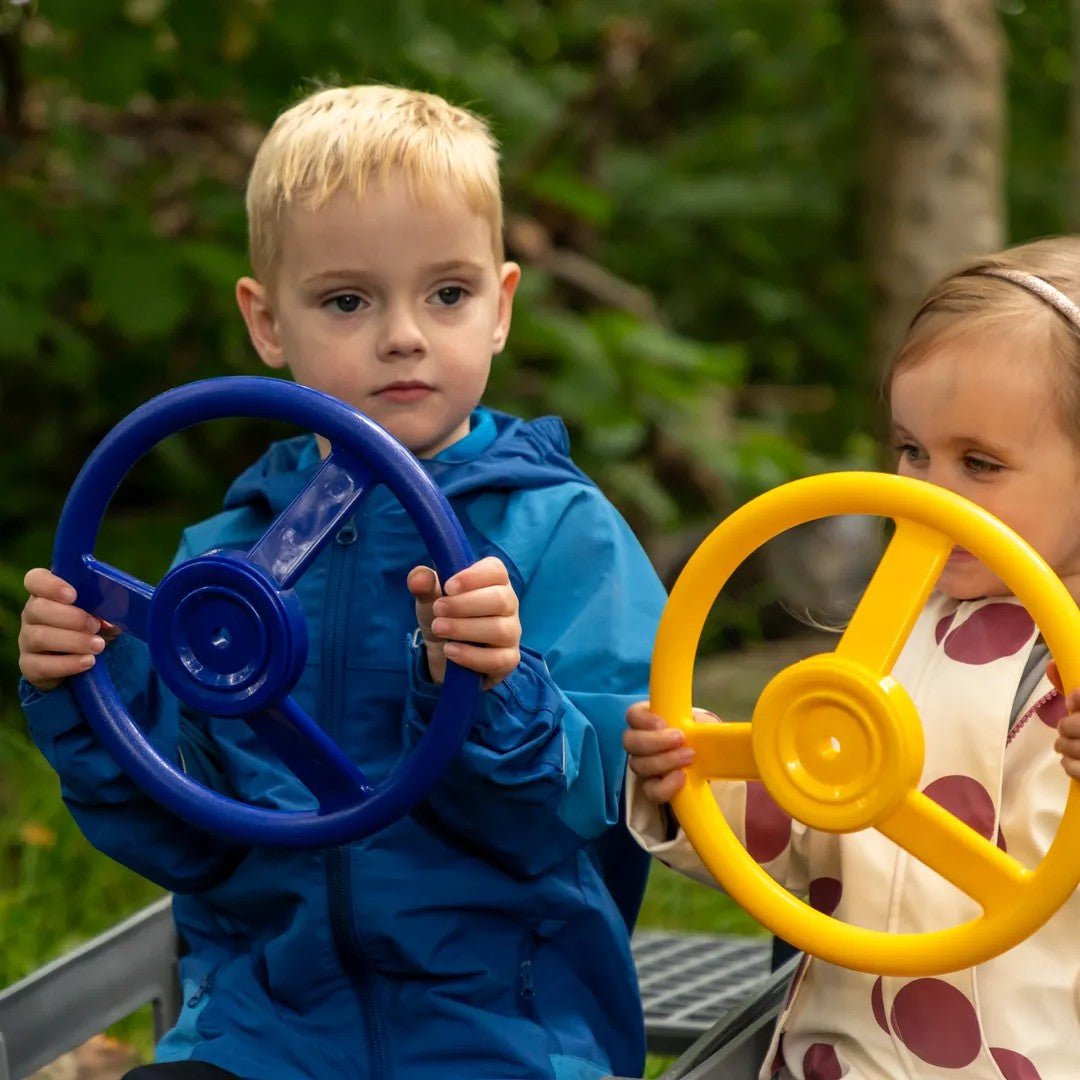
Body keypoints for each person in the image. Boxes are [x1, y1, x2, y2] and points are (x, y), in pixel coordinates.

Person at [18, 84, 667, 1080]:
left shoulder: (563, 534)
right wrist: (83, 694)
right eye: (347, 300)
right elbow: (192, 840)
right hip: (265, 1031)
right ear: (267, 322)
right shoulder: (223, 562)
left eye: (445, 294)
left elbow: (598, 811)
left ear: (501, 307)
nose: (403, 335)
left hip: (506, 1032)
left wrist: (496, 692)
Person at [624, 236, 1080, 1080]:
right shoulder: (895, 626)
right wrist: (705, 776)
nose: (928, 493)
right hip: (835, 1058)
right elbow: (814, 834)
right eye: (912, 451)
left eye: (979, 463)